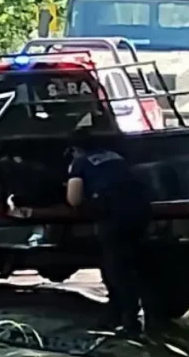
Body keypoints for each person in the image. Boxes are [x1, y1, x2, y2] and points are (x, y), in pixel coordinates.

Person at [65, 139, 152, 334]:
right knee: (130, 264)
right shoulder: (116, 157)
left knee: (116, 269)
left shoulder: (80, 162)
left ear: (75, 149)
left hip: (115, 215)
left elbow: (74, 199)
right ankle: (119, 315)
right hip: (141, 211)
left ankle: (130, 322)